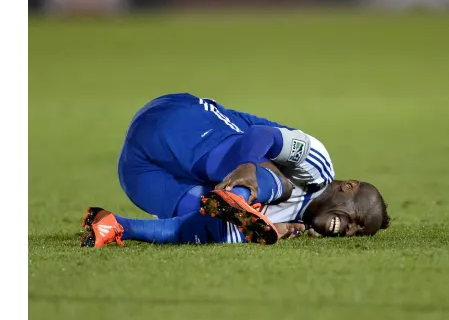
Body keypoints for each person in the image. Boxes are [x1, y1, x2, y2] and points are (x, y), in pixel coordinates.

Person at [80, 93, 390, 248]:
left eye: (357, 233)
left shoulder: (286, 225)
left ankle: (112, 225)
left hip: (138, 172)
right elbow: (262, 135)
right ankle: (237, 197)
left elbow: (190, 228)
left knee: (205, 226)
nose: (350, 231)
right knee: (280, 182)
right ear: (349, 186)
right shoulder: (318, 167)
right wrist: (248, 166)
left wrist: (269, 229)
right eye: (358, 219)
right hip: (178, 121)